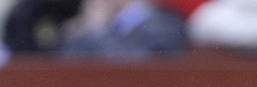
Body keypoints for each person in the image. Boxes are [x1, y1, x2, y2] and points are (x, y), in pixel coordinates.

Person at [57, 0, 189, 56]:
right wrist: (78, 32)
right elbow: (64, 64)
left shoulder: (164, 23)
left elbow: (131, 71)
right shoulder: (99, 19)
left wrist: (99, 30)